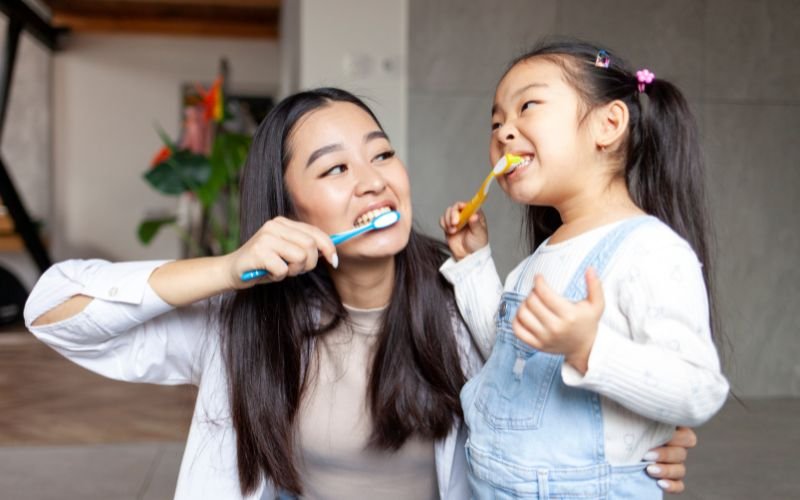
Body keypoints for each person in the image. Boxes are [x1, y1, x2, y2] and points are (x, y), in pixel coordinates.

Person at [25, 88, 694, 500]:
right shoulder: (243, 322)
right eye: (337, 168)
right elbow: (53, 312)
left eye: (381, 154)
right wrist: (231, 268)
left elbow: (556, 399)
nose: (374, 181)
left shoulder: (465, 296)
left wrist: (632, 439)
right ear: (288, 207)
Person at [440, 39, 729, 498]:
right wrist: (474, 262)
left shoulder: (650, 251)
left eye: (527, 106)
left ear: (608, 123)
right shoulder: (545, 254)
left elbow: (700, 388)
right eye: (496, 122)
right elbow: (506, 353)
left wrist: (591, 347)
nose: (503, 132)